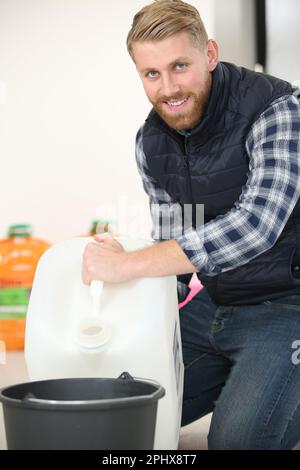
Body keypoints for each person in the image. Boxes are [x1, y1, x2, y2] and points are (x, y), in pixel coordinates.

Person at [82, 0, 300, 449]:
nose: (168, 88)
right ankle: (252, 381)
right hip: (217, 305)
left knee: (238, 442)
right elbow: (171, 244)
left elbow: (257, 225)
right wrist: (126, 323)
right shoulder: (150, 140)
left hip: (289, 307)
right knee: (118, 415)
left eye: (180, 65)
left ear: (211, 55)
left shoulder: (279, 109)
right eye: (152, 74)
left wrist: (131, 265)